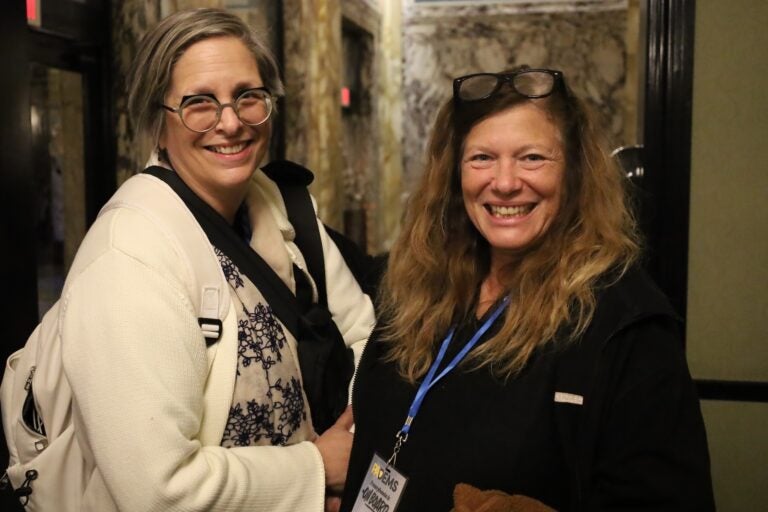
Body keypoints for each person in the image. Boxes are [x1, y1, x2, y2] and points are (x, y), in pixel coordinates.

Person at [341, 68, 714, 511]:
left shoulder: (625, 326)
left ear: (575, 172)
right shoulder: (417, 289)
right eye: (481, 158)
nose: (504, 182)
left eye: (532, 157)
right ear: (453, 176)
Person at [56, 8, 374, 511]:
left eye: (248, 97)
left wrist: (355, 440)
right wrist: (317, 470)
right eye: (199, 103)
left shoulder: (284, 206)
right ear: (158, 125)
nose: (231, 123)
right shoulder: (129, 259)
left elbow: (362, 336)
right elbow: (158, 491)